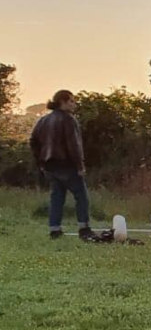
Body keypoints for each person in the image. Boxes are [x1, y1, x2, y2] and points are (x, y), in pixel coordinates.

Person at [29, 90, 94, 240]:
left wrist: (40, 161)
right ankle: (84, 228)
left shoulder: (43, 120)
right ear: (62, 102)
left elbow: (33, 141)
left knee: (57, 197)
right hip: (67, 164)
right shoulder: (68, 119)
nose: (74, 104)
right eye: (71, 101)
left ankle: (55, 230)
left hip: (49, 166)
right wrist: (80, 166)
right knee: (81, 196)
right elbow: (74, 145)